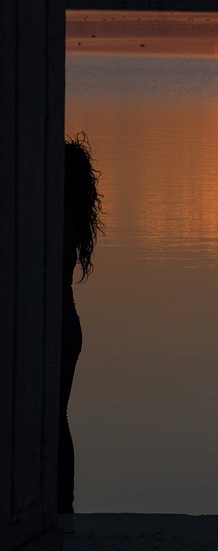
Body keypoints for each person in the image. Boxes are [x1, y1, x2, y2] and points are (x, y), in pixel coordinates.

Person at [60, 134, 103, 517]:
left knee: (55, 416)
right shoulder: (69, 216)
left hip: (58, 326)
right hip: (67, 325)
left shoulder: (58, 219)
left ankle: (61, 506)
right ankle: (62, 506)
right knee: (58, 415)